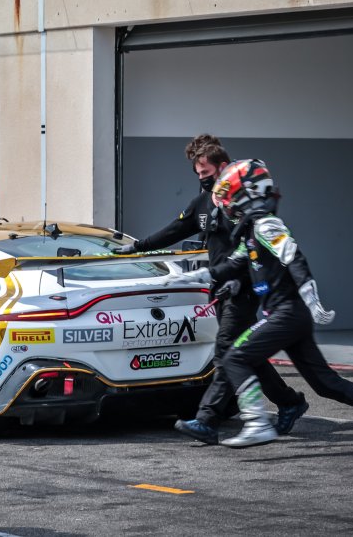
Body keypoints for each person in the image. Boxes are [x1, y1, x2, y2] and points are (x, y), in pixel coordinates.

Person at [187, 159, 353, 448]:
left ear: (249, 193)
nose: (227, 203)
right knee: (325, 384)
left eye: (231, 195)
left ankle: (257, 423)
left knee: (234, 357)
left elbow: (294, 258)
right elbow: (231, 266)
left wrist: (311, 297)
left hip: (287, 313)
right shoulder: (251, 231)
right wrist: (195, 276)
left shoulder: (267, 225)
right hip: (287, 315)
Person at [114, 135, 307, 445]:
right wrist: (138, 247)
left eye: (206, 173)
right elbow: (175, 230)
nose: (202, 179)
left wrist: (240, 279)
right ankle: (288, 402)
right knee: (245, 353)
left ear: (223, 167)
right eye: (198, 174)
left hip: (242, 289)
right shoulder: (203, 203)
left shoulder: (243, 202)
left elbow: (255, 249)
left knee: (226, 350)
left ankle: (207, 419)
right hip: (218, 288)